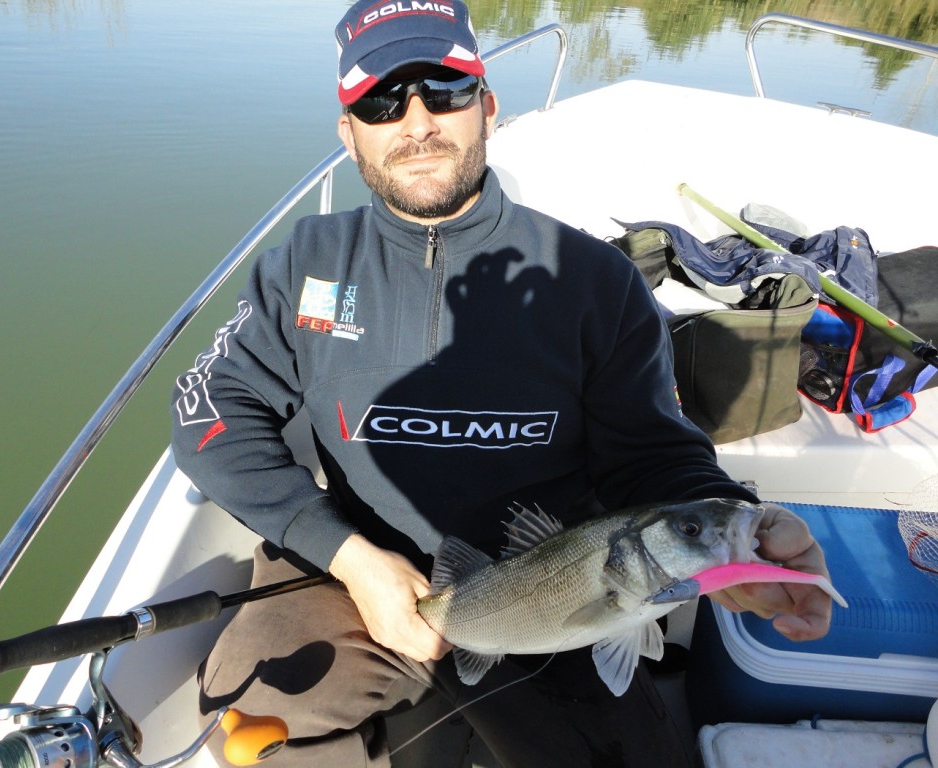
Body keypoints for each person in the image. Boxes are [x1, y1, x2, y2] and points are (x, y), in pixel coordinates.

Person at [170, 2, 834, 765]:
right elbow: (209, 414)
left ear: (487, 106)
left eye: (443, 90)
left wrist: (736, 534)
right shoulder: (305, 263)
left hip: (552, 586)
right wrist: (351, 557)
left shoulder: (593, 281)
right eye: (382, 101)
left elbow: (653, 457)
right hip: (349, 569)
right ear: (348, 131)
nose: (416, 121)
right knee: (248, 711)